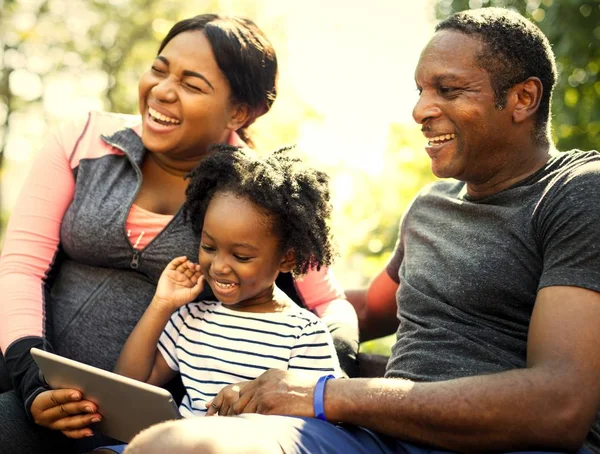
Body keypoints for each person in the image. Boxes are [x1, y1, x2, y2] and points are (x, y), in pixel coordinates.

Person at [122, 7, 600, 454]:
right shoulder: (431, 207)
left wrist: (328, 394)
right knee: (167, 443)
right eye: (420, 91)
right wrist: (244, 288)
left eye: (448, 91)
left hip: (494, 444)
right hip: (380, 439)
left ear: (523, 98)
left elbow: (560, 403)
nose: (420, 111)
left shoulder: (576, 192)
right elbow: (370, 308)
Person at [0, 14, 357, 454]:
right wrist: (32, 384)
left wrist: (319, 372)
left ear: (239, 111)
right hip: (35, 386)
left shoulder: (256, 198)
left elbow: (327, 302)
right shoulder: (82, 140)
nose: (162, 90)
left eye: (192, 84)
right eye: (159, 68)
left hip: (144, 425)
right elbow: (20, 267)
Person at [96, 146, 342, 453]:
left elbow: (323, 426)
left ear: (287, 259)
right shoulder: (191, 318)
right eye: (209, 247)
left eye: (241, 256)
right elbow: (130, 382)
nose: (220, 265)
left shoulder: (303, 334)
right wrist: (162, 305)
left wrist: (252, 402)